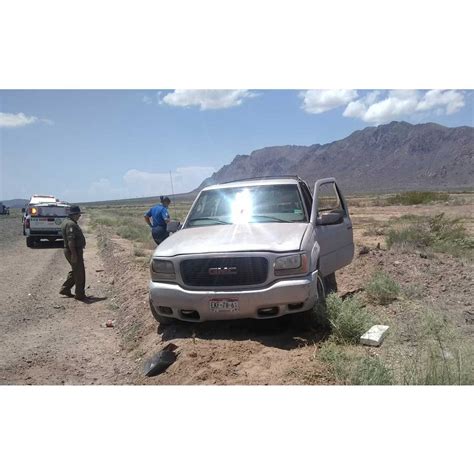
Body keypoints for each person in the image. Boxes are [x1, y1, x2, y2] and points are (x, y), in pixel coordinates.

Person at [59, 205, 87, 301]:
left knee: (76, 270)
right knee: (79, 273)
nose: (79, 216)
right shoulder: (71, 225)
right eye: (78, 214)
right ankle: (79, 294)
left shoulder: (68, 222)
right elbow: (71, 241)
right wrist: (74, 254)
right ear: (74, 214)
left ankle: (65, 289)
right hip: (73, 251)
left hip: (72, 250)